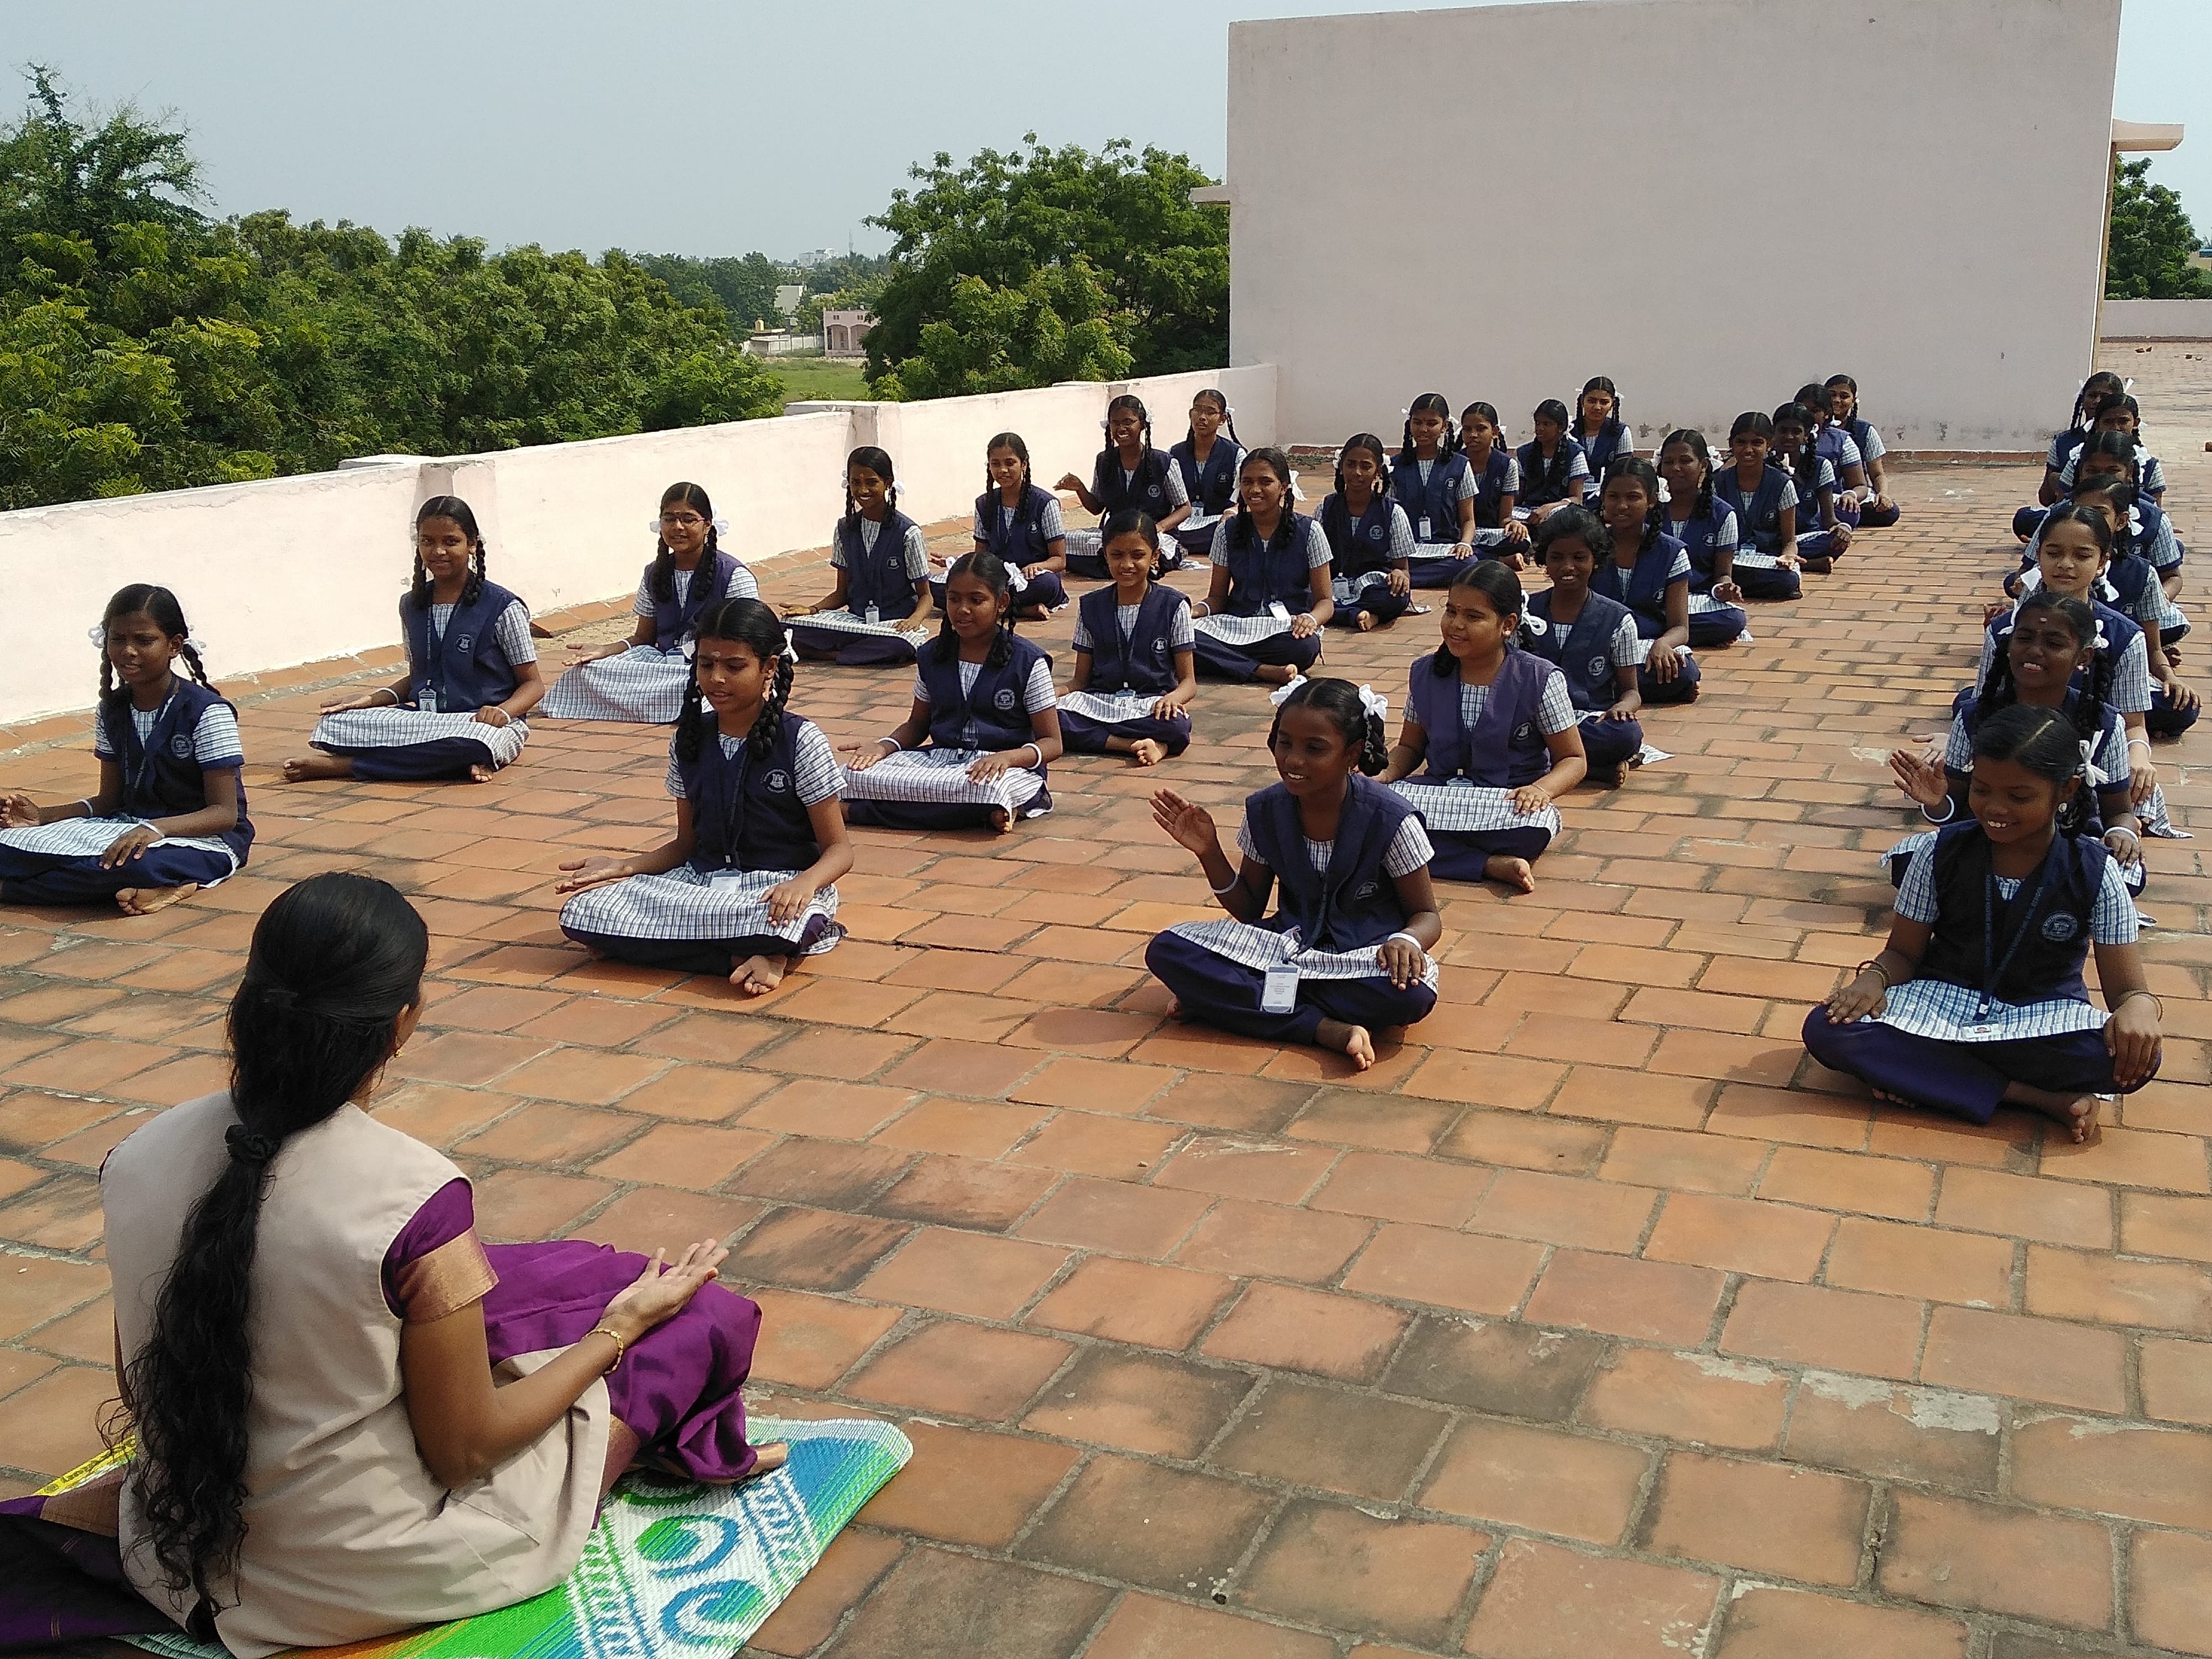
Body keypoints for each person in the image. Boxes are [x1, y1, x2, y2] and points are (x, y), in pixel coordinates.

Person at [0, 872, 780, 1656]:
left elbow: (146, 1378)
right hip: (356, 1573)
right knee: (695, 1320)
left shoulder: (135, 1156)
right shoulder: (413, 1196)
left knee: (535, 1279)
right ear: (403, 1021)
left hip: (169, 1550)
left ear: (248, 1003)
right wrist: (616, 1334)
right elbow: (466, 1453)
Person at [1804, 706, 2162, 1142]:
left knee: (2133, 1058)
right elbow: (1902, 953)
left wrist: (2140, 1010)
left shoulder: (2095, 871)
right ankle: (2033, 1097)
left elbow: (2129, 991)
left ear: (2066, 789)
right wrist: (1874, 980)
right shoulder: (1937, 852)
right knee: (1827, 1029)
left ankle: (1926, 1076)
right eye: (1982, 789)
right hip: (1939, 1005)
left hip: (2039, 1020)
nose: (1995, 808)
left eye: (2018, 796)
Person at [555, 598, 851, 994]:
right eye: (706, 664)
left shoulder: (801, 739)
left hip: (774, 890)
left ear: (769, 668)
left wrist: (805, 883)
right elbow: (685, 845)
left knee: (792, 919)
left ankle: (730, 949)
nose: (717, 679)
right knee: (585, 913)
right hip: (697, 886)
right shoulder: (689, 738)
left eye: (735, 667)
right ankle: (743, 958)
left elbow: (839, 850)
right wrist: (625, 867)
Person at [1146, 677, 1442, 1071]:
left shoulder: (1391, 819)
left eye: (1315, 749)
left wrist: (1406, 940)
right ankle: (1324, 1029)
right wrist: (1209, 852)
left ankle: (1237, 1001)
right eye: (1285, 743)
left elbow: (1427, 915)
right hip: (1285, 949)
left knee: (1412, 994)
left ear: (1353, 753)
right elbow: (1250, 909)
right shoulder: (1265, 810)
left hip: (1362, 958)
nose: (1293, 760)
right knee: (1168, 949)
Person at [0, 585, 249, 913]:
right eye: (118, 639)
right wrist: (44, 817)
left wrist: (156, 829)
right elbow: (109, 800)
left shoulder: (207, 712)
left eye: (144, 641)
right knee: (9, 845)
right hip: (126, 826)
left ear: (174, 646)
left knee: (134, 865)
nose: (128, 651)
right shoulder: (111, 710)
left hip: (201, 838)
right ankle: (157, 886)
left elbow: (225, 815)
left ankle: (12, 889)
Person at [1888, 590, 2142, 895]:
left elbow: (2119, 810)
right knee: (1909, 864)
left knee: (2125, 876)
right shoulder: (1974, 715)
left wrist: (2122, 834)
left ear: (2083, 657)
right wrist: (1937, 802)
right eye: (2024, 639)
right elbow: (1954, 809)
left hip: (2067, 844)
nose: (2035, 651)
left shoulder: (2104, 723)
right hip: (1988, 839)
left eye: (2054, 644)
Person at [286, 497, 542, 784]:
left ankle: (349, 766)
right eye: (427, 542)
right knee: (335, 722)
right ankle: (446, 764)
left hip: (479, 723)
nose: (438, 551)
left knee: (475, 743)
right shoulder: (412, 604)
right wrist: (369, 700)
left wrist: (502, 713)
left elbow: (533, 684)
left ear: (472, 544)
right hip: (423, 721)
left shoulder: (503, 606)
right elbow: (418, 678)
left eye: (451, 542)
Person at [1381, 561, 1587, 893]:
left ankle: (1426, 854)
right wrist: (1385, 775)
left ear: (1507, 625)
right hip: (1438, 794)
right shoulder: (1425, 672)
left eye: (1473, 617)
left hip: (1504, 803)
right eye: (1451, 611)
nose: (1456, 625)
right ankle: (1488, 864)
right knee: (1367, 810)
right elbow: (1409, 747)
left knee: (1535, 826)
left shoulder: (1539, 678)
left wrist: (1541, 791)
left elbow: (1573, 759)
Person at [842, 550, 1062, 831]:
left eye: (976, 600)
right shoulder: (932, 654)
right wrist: (883, 747)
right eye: (954, 599)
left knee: (988, 789)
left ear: (1002, 603)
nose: (963, 610)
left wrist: (1007, 758)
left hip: (1006, 767)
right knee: (850, 775)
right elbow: (917, 724)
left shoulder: (1028, 661)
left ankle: (857, 812)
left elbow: (1052, 743)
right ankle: (986, 814)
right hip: (941, 760)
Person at [539, 482, 758, 723]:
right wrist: (604, 651)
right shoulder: (654, 573)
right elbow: (643, 638)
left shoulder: (733, 575)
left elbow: (749, 642)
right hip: (659, 666)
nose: (678, 527)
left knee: (698, 685)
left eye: (688, 519)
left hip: (709, 666)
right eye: (670, 519)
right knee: (585, 673)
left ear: (707, 525)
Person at [1056, 509, 1197, 765]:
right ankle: (1130, 745)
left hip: (1150, 703)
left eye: (1138, 555)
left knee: (1177, 724)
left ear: (1155, 556)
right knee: (1050, 719)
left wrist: (1173, 699)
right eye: (1117, 555)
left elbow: (1189, 682)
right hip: (1100, 702)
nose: (1127, 565)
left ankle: (1154, 741)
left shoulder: (1174, 606)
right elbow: (1079, 681)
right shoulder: (1090, 606)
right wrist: (1051, 695)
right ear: (1105, 555)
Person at [1191, 447, 1336, 684]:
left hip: (1285, 630)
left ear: (1284, 487)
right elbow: (1217, 598)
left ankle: (1231, 664)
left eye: (1265, 482)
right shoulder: (1227, 530)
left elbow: (1326, 602)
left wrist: (1310, 620)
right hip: (1236, 626)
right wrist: (1195, 611)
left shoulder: (1310, 531)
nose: (1255, 490)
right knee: (1184, 636)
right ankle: (1262, 671)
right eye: (1247, 482)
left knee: (1306, 647)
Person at [1524, 510, 1646, 787]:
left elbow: (1632, 691)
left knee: (1626, 735)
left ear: (1596, 560)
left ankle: (1556, 764)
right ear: (1544, 560)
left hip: (1587, 721)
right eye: (1556, 558)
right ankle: (1593, 770)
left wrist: (1623, 707)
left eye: (1579, 558)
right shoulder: (1524, 611)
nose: (1568, 567)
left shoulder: (1618, 620)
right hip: (1532, 719)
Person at [787, 447, 935, 667]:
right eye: (856, 482)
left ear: (888, 483)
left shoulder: (908, 533)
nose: (863, 490)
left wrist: (913, 621)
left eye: (872, 482)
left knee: (900, 644)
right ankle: (853, 652)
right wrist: (811, 610)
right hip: (855, 622)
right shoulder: (844, 529)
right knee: (787, 628)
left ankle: (831, 655)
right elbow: (841, 593)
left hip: (893, 625)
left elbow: (926, 597)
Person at [1591, 462, 1701, 704]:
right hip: (1598, 646)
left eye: (1633, 497)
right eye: (1613, 497)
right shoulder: (1589, 547)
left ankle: (1604, 691)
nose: (1622, 506)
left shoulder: (1672, 552)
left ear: (1652, 500)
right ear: (1602, 498)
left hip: (1646, 647)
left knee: (1684, 672)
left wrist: (1663, 644)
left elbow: (1681, 628)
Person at [1058, 394, 1191, 577]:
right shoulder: (1104, 461)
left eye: (1128, 422)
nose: (1121, 429)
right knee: (1062, 541)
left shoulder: (1163, 462)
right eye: (1116, 423)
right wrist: (1079, 488)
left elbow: (1185, 508)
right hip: (1116, 534)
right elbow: (1097, 508)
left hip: (1151, 534)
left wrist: (1158, 527)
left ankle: (1148, 561)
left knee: (1143, 551)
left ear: (1142, 424)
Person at [956, 432, 1067, 621]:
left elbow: (1059, 560)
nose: (1003, 470)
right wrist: (956, 563)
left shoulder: (1045, 503)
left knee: (1047, 584)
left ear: (1024, 464)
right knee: (946, 587)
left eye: (1010, 463)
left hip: (1031, 580)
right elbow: (981, 555)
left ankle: (997, 607)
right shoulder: (984, 504)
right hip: (997, 579)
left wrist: (1037, 567)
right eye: (996, 464)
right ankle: (1024, 610)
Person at [1657, 429, 1751, 641]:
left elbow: (1722, 574)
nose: (1676, 468)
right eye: (1669, 462)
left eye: (1685, 461)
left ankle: (1662, 630)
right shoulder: (1648, 507)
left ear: (1704, 465)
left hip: (1695, 599)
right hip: (1653, 599)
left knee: (1733, 620)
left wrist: (1724, 589)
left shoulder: (1722, 514)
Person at [1319, 432, 1416, 630]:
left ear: (1378, 471)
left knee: (1398, 594)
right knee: (1302, 595)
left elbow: (1402, 568)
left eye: (1366, 466)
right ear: (1341, 466)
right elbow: (1313, 563)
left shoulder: (1392, 512)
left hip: (1372, 588)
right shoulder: (1326, 507)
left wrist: (1399, 574)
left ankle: (1341, 614)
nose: (1357, 473)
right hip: (1331, 586)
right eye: (1351, 464)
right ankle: (1359, 615)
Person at [1712, 411, 1803, 602]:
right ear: (1731, 444)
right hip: (1728, 561)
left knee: (1789, 580)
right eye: (1741, 442)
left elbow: (1790, 540)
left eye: (1757, 443)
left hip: (1766, 560)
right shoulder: (1718, 483)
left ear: (1769, 445)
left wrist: (1788, 557)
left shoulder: (1782, 484)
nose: (1748, 449)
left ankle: (1733, 588)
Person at [1390, 392, 1478, 587]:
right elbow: (1386, 514)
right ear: (1409, 424)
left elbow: (1468, 519)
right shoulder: (1395, 466)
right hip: (1405, 551)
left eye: (1432, 424)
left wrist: (1464, 544)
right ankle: (1400, 575)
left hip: (1444, 549)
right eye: (1418, 422)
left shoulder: (1460, 465)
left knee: (1468, 563)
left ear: (1444, 426)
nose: (1423, 429)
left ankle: (1403, 580)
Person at [1166, 389, 1244, 561]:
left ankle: (1180, 547)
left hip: (1216, 521)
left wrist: (1231, 512)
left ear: (1223, 419)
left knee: (1232, 530)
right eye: (1198, 410)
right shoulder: (1174, 453)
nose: (1202, 417)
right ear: (1190, 414)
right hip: (1180, 523)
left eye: (1210, 412)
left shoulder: (1235, 454)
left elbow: (1245, 497)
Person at [1773, 402, 1851, 572]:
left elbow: (1829, 519)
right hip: (1772, 537)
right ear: (1774, 433)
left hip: (1805, 536)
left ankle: (1789, 561)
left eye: (1796, 432)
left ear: (1807, 435)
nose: (1789, 437)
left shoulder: (1821, 466)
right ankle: (1809, 564)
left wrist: (1843, 528)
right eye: (1783, 431)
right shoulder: (1764, 466)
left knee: (1835, 540)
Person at [1824, 374, 1901, 528]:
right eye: (1832, 395)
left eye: (1844, 396)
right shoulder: (1812, 428)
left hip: (1856, 493)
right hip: (1824, 495)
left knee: (1890, 513)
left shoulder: (1865, 431)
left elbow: (1877, 474)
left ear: (1853, 401)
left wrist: (1883, 494)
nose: (1837, 400)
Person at [1459, 400, 1528, 556]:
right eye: (1467, 429)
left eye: (1481, 429)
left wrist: (1514, 525)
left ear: (1495, 431)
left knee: (1520, 539)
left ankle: (1479, 557)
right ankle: (1499, 560)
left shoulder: (1507, 465)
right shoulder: (1454, 464)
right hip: (1461, 533)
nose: (1473, 435)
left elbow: (1505, 518)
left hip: (1491, 533)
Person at [1516, 398, 1590, 523]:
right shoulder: (1523, 452)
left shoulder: (1576, 453)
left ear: (1561, 427)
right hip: (1528, 511)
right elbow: (1518, 495)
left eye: (1547, 424)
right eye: (1538, 423)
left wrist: (1549, 508)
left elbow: (1577, 499)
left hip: (1559, 510)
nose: (1540, 428)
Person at [1570, 376, 1634, 481]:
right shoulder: (1569, 431)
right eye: (1591, 401)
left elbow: (1624, 470)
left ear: (1613, 404)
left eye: (1604, 402)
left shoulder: (1621, 432)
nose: (1597, 407)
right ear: (1582, 401)